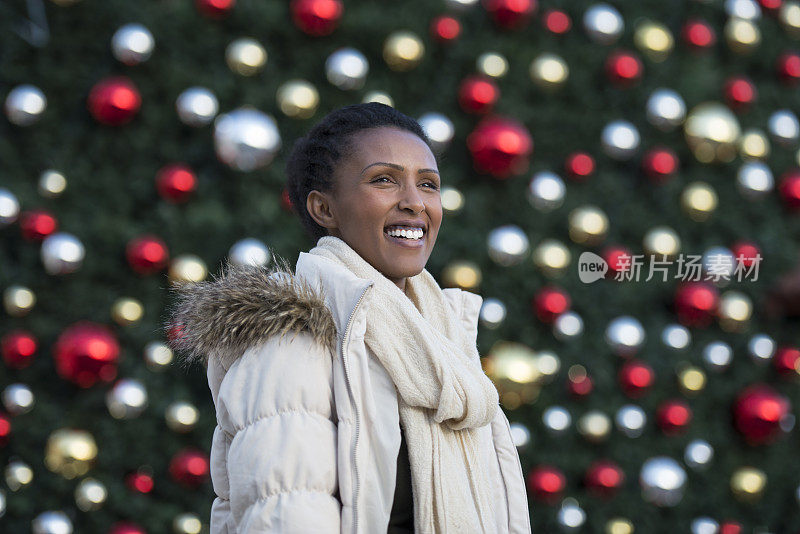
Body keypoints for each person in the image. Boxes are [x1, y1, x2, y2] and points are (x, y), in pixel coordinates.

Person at [165, 102, 532, 533]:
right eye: (384, 180)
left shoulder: (447, 338)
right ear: (324, 209)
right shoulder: (290, 338)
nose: (415, 203)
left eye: (428, 185)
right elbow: (285, 516)